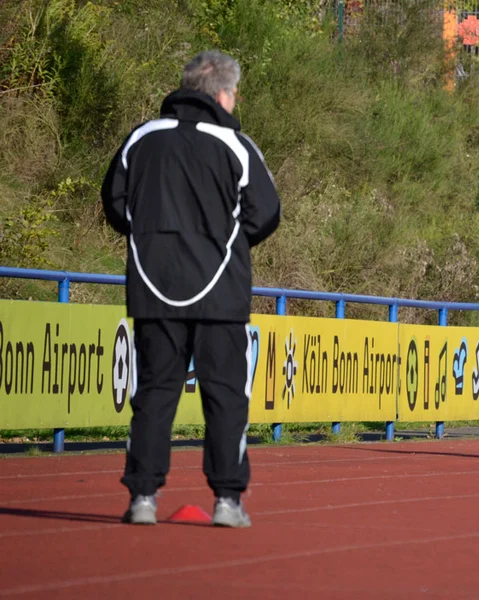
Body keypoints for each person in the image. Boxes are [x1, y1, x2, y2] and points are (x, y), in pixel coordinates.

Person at [101, 50, 281, 527]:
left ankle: (142, 498)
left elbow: (115, 204)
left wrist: (151, 238)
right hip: (221, 293)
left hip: (154, 286)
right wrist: (225, 242)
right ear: (223, 94)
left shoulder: (142, 138)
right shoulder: (235, 144)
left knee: (155, 393)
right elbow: (265, 214)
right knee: (225, 396)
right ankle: (227, 500)